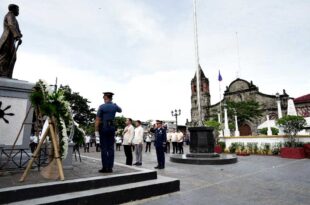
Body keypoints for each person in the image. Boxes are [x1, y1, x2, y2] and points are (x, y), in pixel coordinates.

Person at [95, 92, 122, 173]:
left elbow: (97, 119)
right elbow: (120, 110)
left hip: (104, 129)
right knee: (111, 149)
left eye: (104, 97)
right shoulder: (114, 106)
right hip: (112, 129)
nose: (103, 98)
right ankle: (110, 167)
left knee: (104, 148)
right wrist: (115, 104)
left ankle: (105, 167)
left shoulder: (102, 107)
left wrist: (96, 130)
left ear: (106, 97)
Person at [0, 4, 22, 78]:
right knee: (5, 56)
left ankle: (7, 74)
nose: (18, 11)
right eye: (17, 9)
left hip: (11, 40)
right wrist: (17, 36)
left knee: (12, 57)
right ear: (13, 9)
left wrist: (19, 35)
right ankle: (2, 73)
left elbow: (16, 28)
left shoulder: (14, 18)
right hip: (7, 39)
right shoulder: (10, 15)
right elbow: (11, 25)